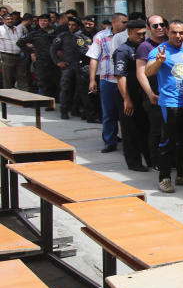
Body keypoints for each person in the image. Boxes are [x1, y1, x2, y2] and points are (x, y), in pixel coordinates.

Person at [145, 21, 183, 193]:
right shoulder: (159, 51)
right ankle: (164, 178)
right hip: (170, 104)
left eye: (181, 33)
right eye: (174, 32)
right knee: (167, 141)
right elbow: (148, 72)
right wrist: (158, 62)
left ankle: (182, 174)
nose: (178, 36)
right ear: (167, 32)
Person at [87, 13, 129, 152]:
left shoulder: (128, 36)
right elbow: (94, 58)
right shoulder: (101, 37)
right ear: (113, 22)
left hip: (124, 80)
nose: (125, 25)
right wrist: (92, 79)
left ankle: (128, 140)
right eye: (123, 22)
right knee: (109, 112)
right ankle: (110, 141)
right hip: (107, 79)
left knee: (126, 111)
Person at [113, 20, 150, 171]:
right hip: (128, 94)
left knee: (145, 128)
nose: (141, 37)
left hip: (143, 95)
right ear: (129, 33)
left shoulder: (145, 47)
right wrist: (126, 99)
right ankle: (134, 162)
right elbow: (120, 76)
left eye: (143, 33)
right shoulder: (123, 51)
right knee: (130, 130)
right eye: (138, 34)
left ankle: (151, 160)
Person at [136, 15, 168, 168]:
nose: (160, 27)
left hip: (171, 95)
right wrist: (150, 94)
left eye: (162, 24)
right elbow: (140, 73)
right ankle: (155, 161)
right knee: (157, 130)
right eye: (155, 26)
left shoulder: (171, 42)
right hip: (154, 95)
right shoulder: (145, 47)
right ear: (149, 29)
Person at [19, 13, 59, 104]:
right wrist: (31, 52)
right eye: (41, 21)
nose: (43, 23)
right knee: (43, 83)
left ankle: (55, 102)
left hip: (55, 62)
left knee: (55, 83)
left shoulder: (56, 32)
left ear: (49, 22)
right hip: (41, 62)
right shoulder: (34, 34)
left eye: (45, 21)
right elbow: (20, 43)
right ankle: (45, 103)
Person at [49, 17, 84, 119]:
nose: (71, 27)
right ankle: (64, 111)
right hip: (67, 67)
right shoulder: (63, 36)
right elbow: (53, 49)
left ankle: (75, 109)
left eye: (73, 25)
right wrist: (57, 62)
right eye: (69, 25)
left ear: (78, 26)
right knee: (65, 89)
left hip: (80, 67)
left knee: (79, 90)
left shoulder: (82, 37)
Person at [0, 13, 20, 89]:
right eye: (8, 19)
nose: (10, 20)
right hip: (6, 56)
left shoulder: (18, 29)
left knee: (22, 77)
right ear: (3, 20)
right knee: (8, 79)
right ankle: (7, 99)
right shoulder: (1, 29)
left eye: (11, 19)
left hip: (19, 56)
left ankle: (24, 98)